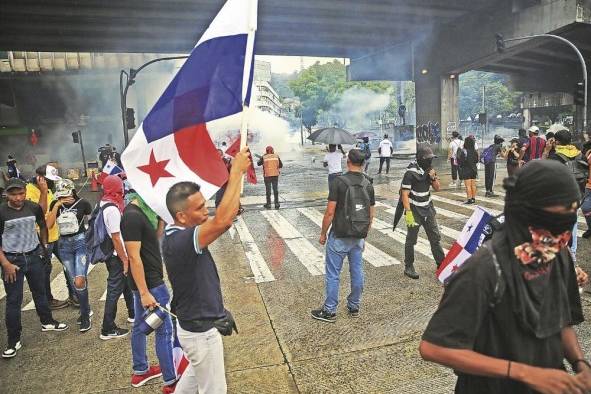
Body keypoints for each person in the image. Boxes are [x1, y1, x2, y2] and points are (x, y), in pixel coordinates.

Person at [419, 160, 591, 394]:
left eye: (572, 212)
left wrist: (580, 363)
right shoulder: (485, 267)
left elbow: (561, 321)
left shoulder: (556, 253)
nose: (563, 229)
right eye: (558, 217)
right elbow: (433, 347)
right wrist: (524, 372)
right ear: (528, 211)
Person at [162, 147, 251, 394]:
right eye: (200, 208)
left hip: (197, 322)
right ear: (181, 216)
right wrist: (235, 173)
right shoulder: (180, 241)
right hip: (200, 332)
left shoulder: (177, 232)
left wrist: (217, 310)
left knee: (192, 380)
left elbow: (224, 217)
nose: (206, 212)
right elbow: (221, 221)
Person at [1, 178, 68, 359]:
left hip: (33, 256)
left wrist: (44, 248)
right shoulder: (2, 212)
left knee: (41, 293)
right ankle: (13, 341)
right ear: (6, 194)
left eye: (21, 193)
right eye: (13, 194)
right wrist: (5, 264)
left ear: (25, 191)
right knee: (14, 301)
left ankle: (47, 321)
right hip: (12, 261)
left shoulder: (33, 207)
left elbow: (43, 226)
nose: (18, 198)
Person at [311, 149, 375, 322]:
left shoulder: (339, 182)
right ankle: (354, 305)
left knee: (333, 274)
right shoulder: (368, 183)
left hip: (339, 235)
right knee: (357, 270)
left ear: (348, 162)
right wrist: (364, 235)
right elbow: (371, 214)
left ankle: (330, 310)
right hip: (358, 236)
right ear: (363, 163)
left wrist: (323, 233)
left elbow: (330, 212)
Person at [121, 192, 176, 393]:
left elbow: (153, 240)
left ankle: (141, 370)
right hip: (151, 285)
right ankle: (171, 381)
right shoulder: (132, 216)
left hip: (146, 282)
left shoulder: (145, 212)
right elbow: (134, 258)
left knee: (139, 326)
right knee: (164, 331)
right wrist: (145, 293)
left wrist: (161, 220)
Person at [26, 164, 73, 310]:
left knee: (68, 265)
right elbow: (40, 212)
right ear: (40, 178)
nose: (52, 182)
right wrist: (44, 191)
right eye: (49, 180)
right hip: (41, 238)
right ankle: (48, 300)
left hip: (55, 234)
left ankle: (74, 295)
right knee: (45, 271)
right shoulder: (30, 191)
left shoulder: (48, 188)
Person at [51, 179, 93, 332]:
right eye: (60, 195)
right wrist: (56, 205)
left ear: (72, 191)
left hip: (80, 243)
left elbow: (91, 222)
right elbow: (49, 224)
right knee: (73, 282)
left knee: (80, 280)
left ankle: (85, 315)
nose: (63, 198)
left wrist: (90, 241)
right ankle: (86, 308)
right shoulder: (55, 204)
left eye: (66, 194)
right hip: (64, 245)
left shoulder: (84, 203)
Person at [401, 146, 445, 279]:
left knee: (435, 238)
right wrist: (408, 213)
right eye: (429, 159)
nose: (430, 162)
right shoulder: (410, 173)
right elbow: (404, 194)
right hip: (414, 211)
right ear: (421, 159)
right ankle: (409, 266)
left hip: (428, 208)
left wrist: (433, 177)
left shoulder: (429, 170)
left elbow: (437, 188)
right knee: (411, 240)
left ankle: (441, 264)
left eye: (432, 159)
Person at [100, 175, 134, 340]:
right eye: (121, 187)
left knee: (126, 283)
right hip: (116, 256)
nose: (123, 190)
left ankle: (133, 313)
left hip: (111, 254)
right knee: (114, 290)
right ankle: (107, 328)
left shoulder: (104, 202)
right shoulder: (112, 209)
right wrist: (125, 259)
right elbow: (116, 237)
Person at [547, 129, 587, 264]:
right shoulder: (580, 154)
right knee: (573, 224)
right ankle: (572, 255)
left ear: (556, 141)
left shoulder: (555, 157)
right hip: (577, 195)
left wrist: (547, 150)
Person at [457, 136, 479, 204]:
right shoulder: (475, 151)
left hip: (466, 170)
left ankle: (469, 199)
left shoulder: (464, 151)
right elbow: (476, 160)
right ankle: (473, 198)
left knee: (468, 186)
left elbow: (461, 162)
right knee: (473, 185)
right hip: (474, 170)